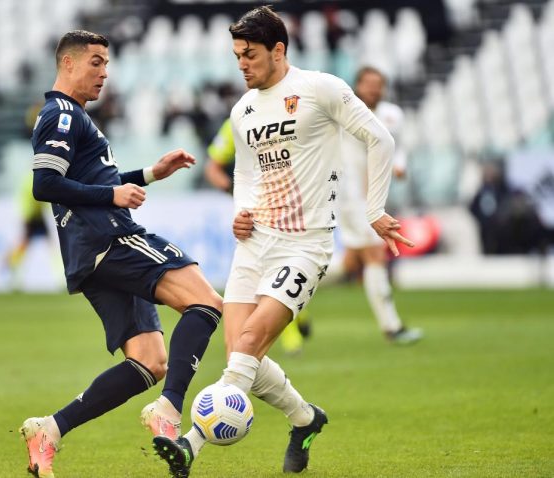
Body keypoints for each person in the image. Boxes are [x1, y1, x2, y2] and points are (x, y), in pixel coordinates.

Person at [153, 7, 413, 477]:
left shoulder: (320, 89)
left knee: (249, 344)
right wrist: (240, 212)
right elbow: (245, 174)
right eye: (236, 57)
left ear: (278, 50)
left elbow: (381, 139)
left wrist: (374, 210)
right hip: (255, 245)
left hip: (304, 245)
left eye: (249, 55)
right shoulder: (242, 110)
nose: (242, 65)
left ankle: (191, 444)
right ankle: (305, 417)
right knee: (240, 357)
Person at [20, 30, 223, 478]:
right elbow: (44, 185)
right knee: (206, 301)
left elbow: (92, 179)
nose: (104, 72)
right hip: (107, 239)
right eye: (95, 62)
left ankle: (50, 431)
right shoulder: (62, 116)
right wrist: (112, 197)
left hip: (90, 253)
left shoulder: (73, 117)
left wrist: (150, 173)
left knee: (150, 361)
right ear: (67, 63)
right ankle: (169, 411)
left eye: (107, 64)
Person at [204, 117, 312, 354]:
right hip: (252, 211)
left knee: (287, 264)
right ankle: (292, 337)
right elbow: (212, 167)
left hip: (290, 205)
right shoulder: (238, 121)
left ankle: (297, 318)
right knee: (267, 269)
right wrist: (235, 194)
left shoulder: (290, 118)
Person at [337, 66, 423, 344]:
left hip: (372, 196)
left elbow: (397, 146)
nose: (373, 89)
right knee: (375, 253)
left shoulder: (391, 115)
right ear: (357, 85)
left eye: (378, 84)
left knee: (349, 262)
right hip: (350, 197)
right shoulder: (344, 110)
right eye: (368, 84)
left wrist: (399, 166)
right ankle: (392, 326)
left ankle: (284, 292)